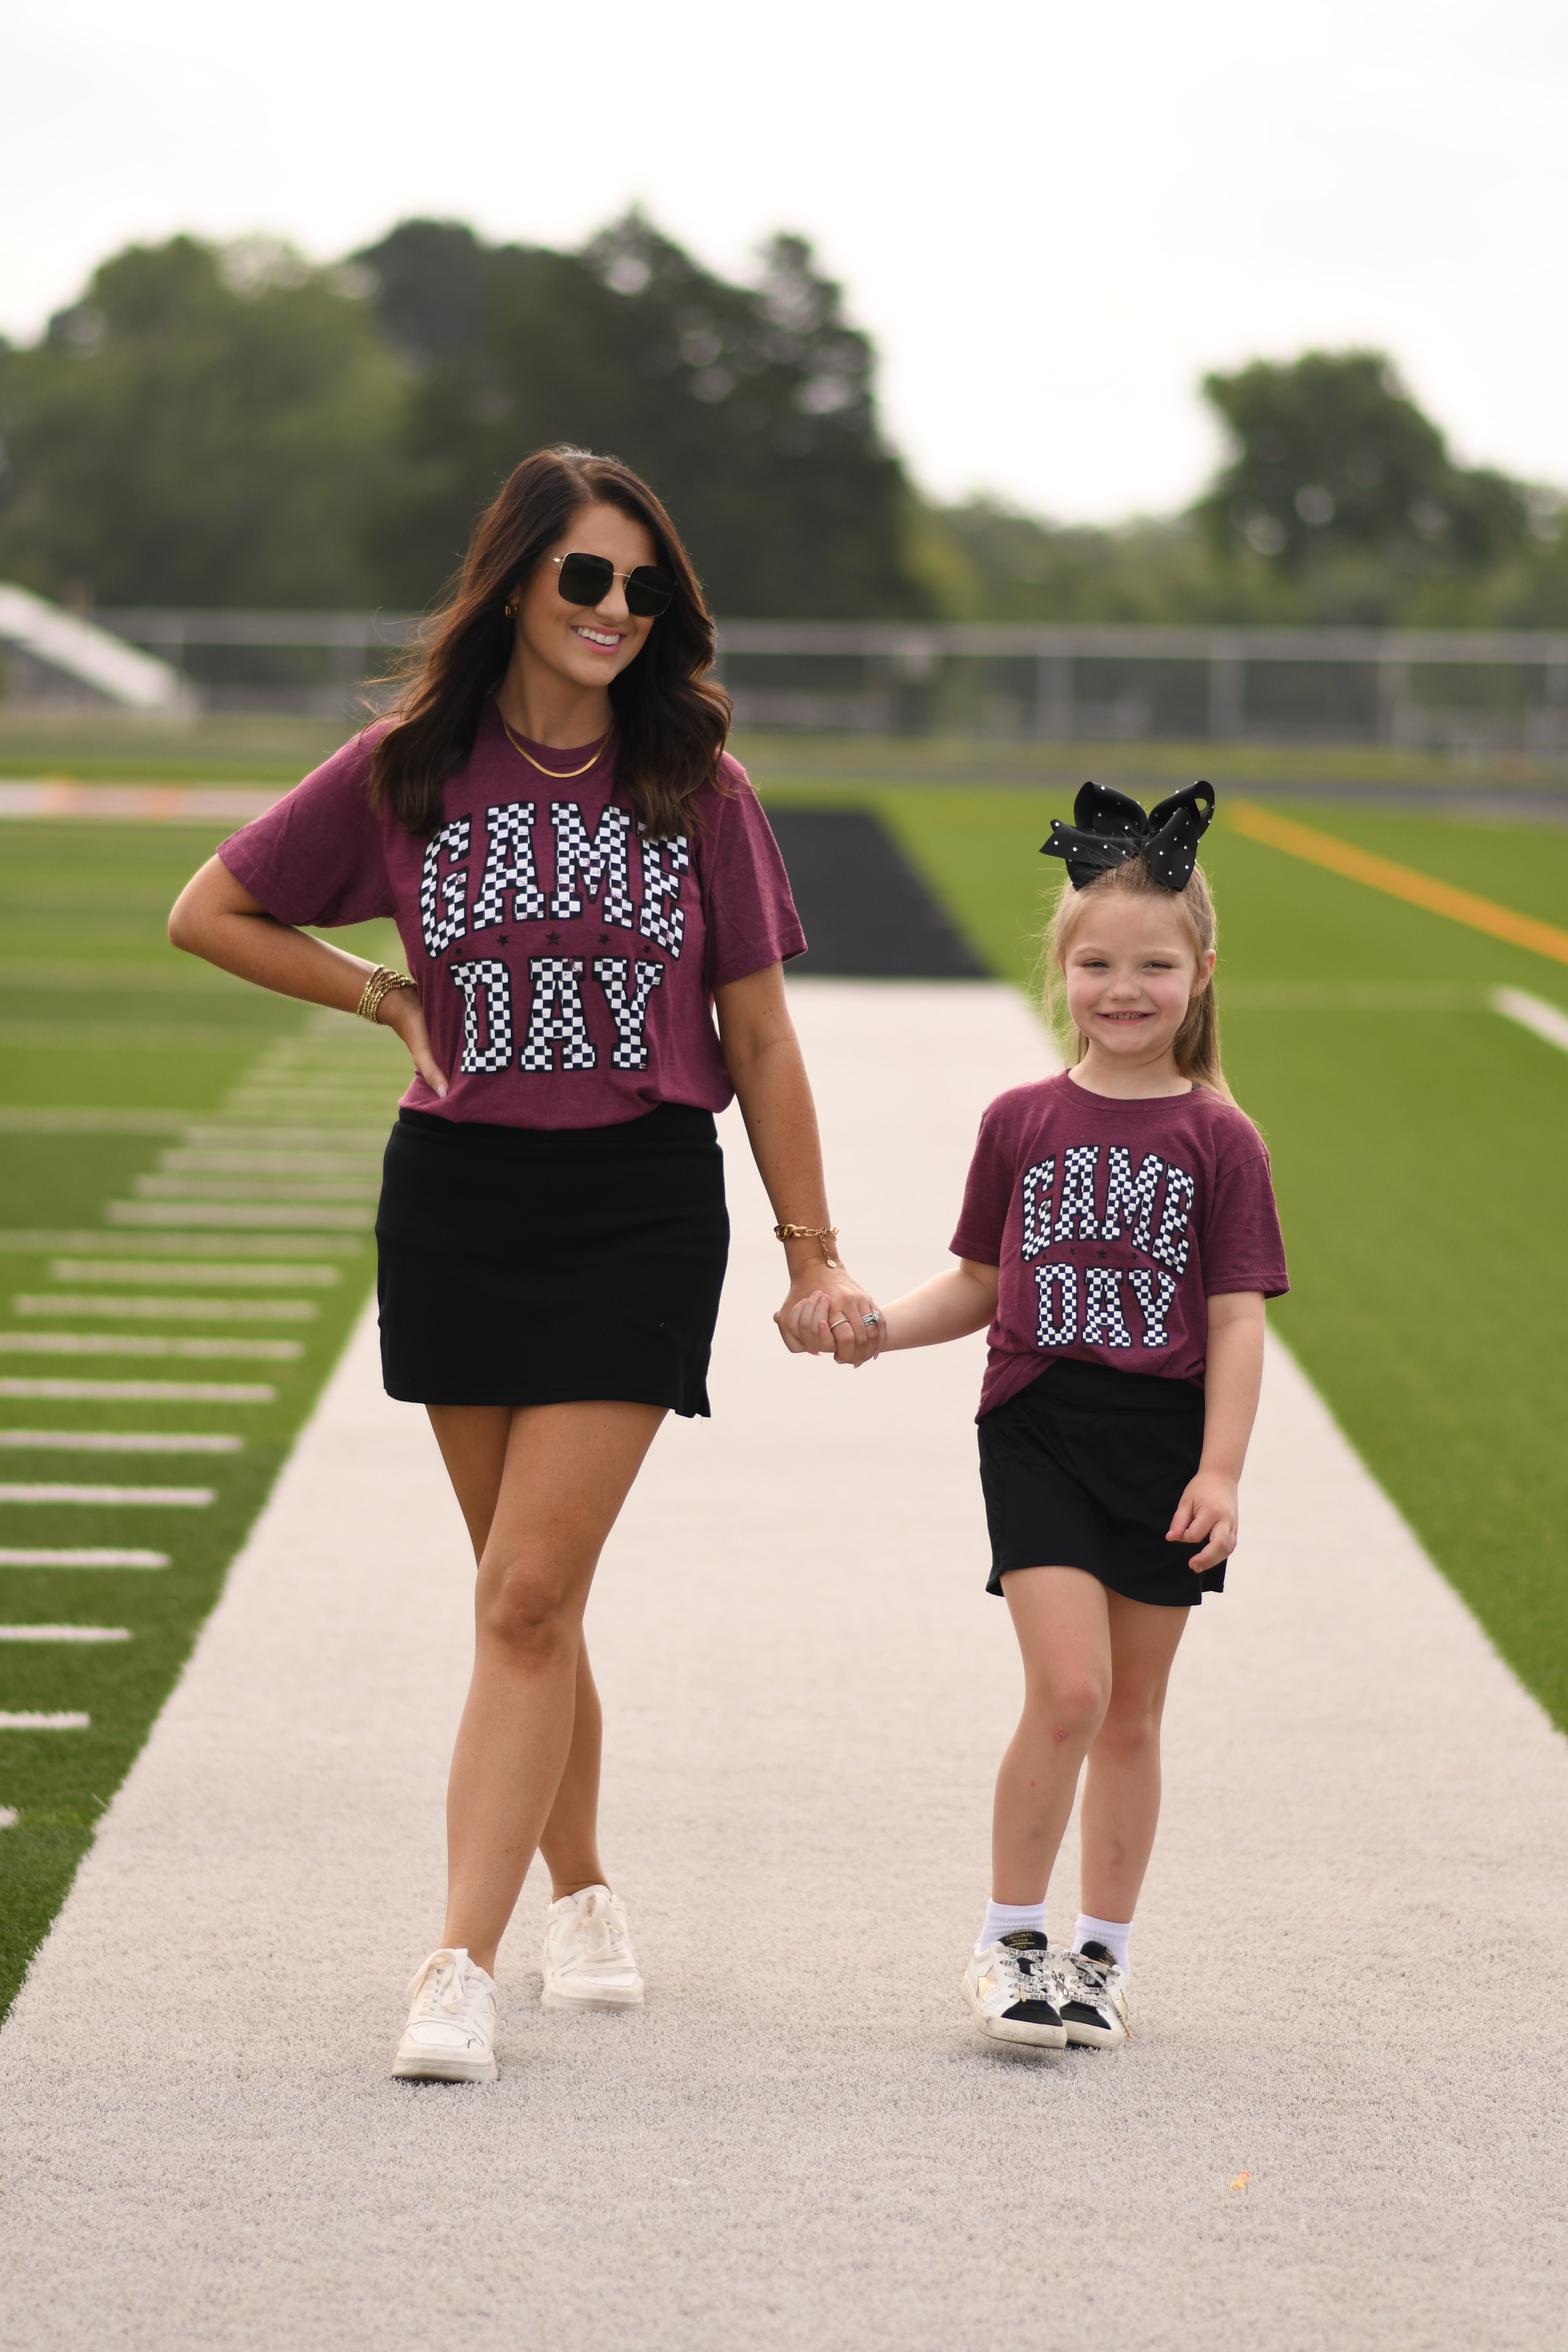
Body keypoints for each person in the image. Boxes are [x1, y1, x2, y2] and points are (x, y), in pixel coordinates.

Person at [169, 444, 882, 2083]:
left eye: (645, 587)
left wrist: (810, 1250)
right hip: (457, 1201)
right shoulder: (407, 768)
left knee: (524, 1592)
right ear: (513, 582)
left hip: (638, 1201)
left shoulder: (697, 781)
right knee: (526, 1602)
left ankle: (452, 1970)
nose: (618, 610)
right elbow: (207, 911)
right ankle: (586, 1889)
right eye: (586, 578)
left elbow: (760, 1037)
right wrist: (377, 995)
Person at [781, 782, 1287, 2049]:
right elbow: (981, 1285)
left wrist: (1222, 1471)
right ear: (1062, 969)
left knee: (1134, 1713)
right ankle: (1011, 1940)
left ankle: (1100, 1959)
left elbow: (1235, 1316)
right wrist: (880, 1331)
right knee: (1069, 1689)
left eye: (1155, 966)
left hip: (1163, 1439)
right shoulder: (1021, 1121)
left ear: (1201, 971)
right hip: (1039, 1423)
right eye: (1100, 963)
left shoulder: (1223, 1140)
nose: (1127, 988)